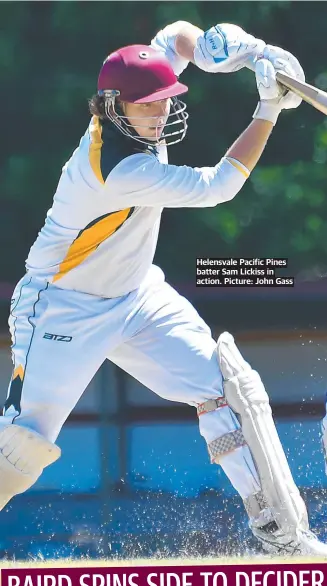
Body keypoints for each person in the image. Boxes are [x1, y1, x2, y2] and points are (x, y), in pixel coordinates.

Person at [2, 20, 326, 556]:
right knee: (18, 455)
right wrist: (267, 107)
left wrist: (245, 51)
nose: (161, 112)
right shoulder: (118, 168)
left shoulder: (131, 107)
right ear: (112, 108)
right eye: (148, 104)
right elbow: (221, 186)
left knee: (229, 387)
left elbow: (176, 37)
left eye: (165, 99)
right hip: (61, 309)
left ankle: (284, 534)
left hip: (136, 297)